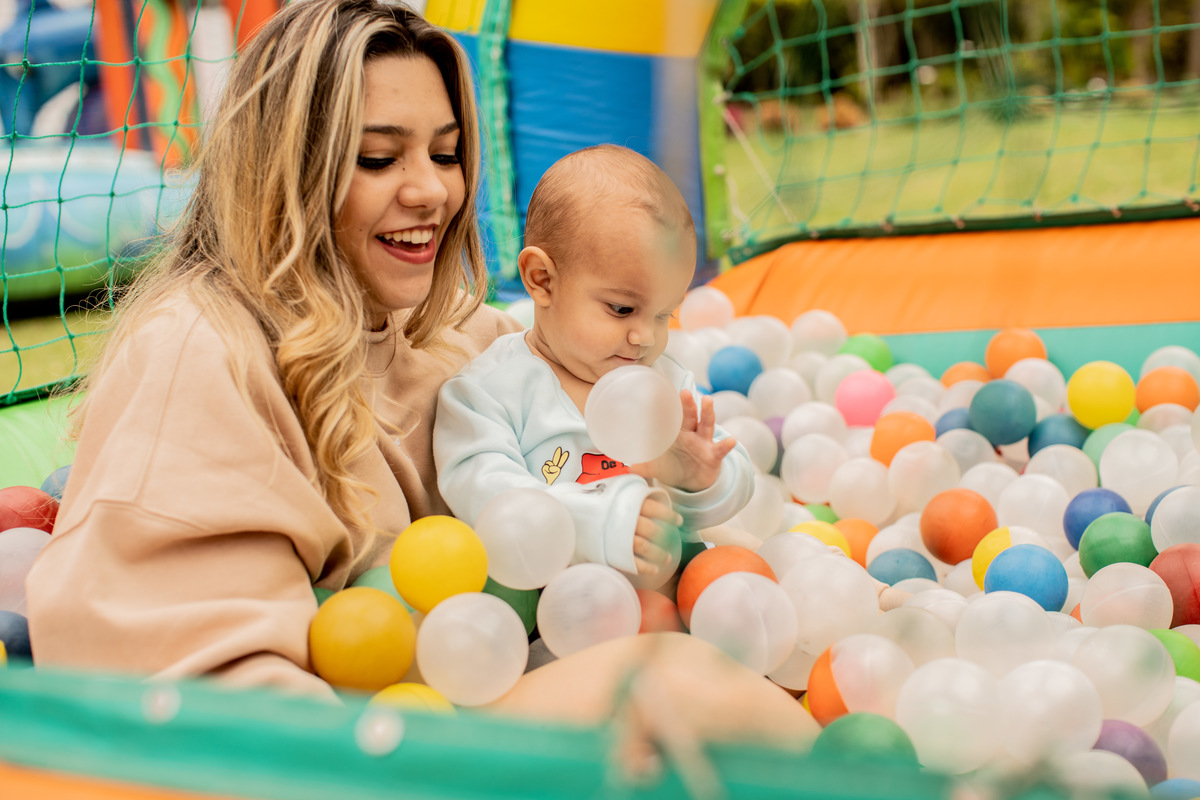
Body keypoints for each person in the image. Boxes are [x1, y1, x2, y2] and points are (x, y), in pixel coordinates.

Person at [25, 0, 818, 761]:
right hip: (344, 749)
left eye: (444, 153)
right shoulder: (199, 357)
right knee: (675, 689)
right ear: (286, 173)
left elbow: (573, 394)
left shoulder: (431, 327)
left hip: (478, 673)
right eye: (378, 157)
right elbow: (200, 710)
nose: (434, 190)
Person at [434, 145, 754, 579]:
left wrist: (699, 478)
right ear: (542, 280)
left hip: (667, 591)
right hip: (555, 605)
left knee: (739, 571)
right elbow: (485, 495)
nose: (645, 337)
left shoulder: (662, 383)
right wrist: (600, 522)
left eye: (664, 314)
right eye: (622, 309)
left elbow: (725, 482)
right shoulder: (487, 393)